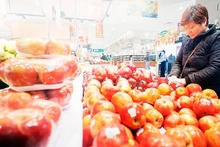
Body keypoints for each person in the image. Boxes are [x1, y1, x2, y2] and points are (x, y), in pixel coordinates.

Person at [168, 4, 220, 97]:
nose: (188, 31)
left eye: (191, 27)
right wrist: (173, 75)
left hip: (206, 94)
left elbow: (214, 67)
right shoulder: (187, 39)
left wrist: (186, 80)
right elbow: (178, 62)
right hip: (185, 92)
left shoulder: (216, 38)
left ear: (204, 21)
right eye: (186, 28)